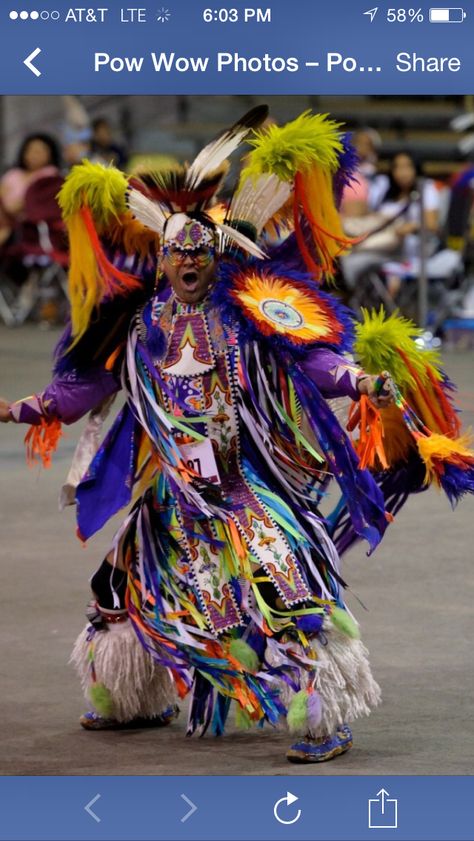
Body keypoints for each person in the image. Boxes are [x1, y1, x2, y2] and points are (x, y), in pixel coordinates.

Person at [1, 107, 473, 764]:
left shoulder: (250, 315)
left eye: (199, 253)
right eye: (177, 254)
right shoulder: (138, 325)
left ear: (216, 255)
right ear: (161, 258)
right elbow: (86, 388)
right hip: (173, 493)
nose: (188, 264)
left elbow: (311, 358)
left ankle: (321, 709)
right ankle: (133, 692)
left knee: (289, 594)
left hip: (245, 492)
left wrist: (360, 382)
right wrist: (25, 407)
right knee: (122, 588)